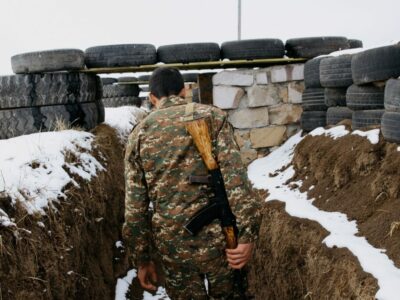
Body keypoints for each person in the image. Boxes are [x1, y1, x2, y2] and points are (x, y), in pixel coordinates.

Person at [123, 67, 261, 299]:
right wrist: (248, 236)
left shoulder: (139, 134)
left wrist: (142, 258)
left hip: (173, 247)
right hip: (221, 242)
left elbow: (135, 209)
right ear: (184, 90)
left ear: (151, 98)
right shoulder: (213, 117)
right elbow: (237, 183)